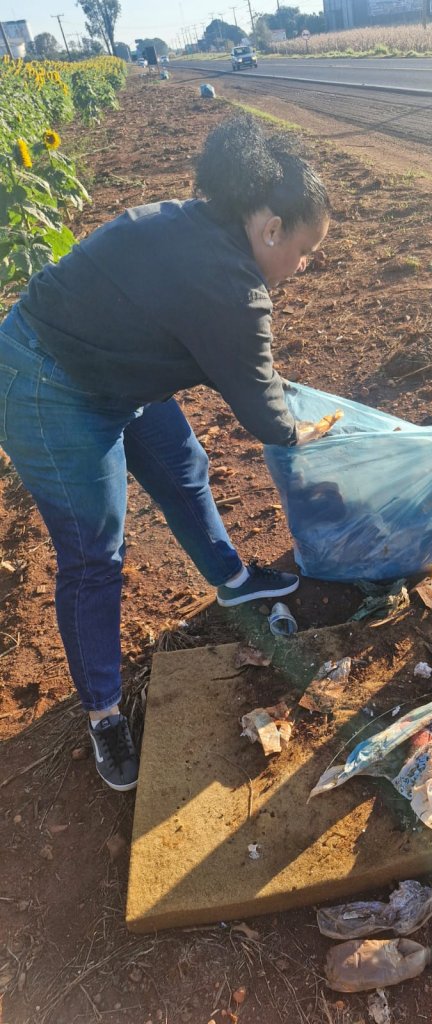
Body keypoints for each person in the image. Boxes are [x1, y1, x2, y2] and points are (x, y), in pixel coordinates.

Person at [0, 113, 331, 791]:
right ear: (270, 228)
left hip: (115, 364)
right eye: (303, 250)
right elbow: (267, 414)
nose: (304, 266)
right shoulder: (232, 288)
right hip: (45, 379)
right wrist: (303, 433)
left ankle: (234, 579)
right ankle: (103, 715)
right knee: (95, 555)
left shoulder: (205, 228)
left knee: (183, 468)